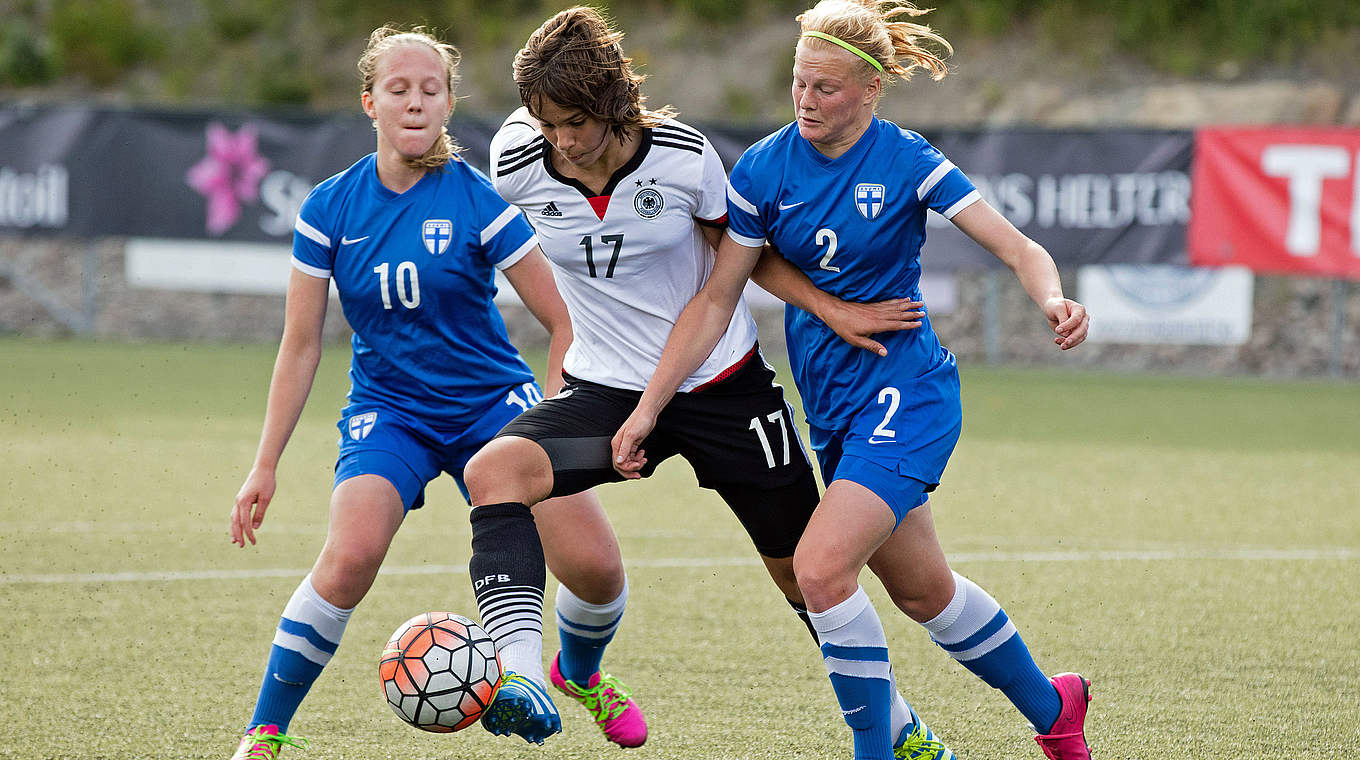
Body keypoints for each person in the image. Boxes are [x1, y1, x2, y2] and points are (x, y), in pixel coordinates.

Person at [612, 1, 1095, 759]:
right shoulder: (766, 168)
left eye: (826, 88)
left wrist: (1054, 298)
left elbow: (1018, 246)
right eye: (799, 83)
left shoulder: (905, 160)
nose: (806, 100)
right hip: (833, 409)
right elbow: (715, 299)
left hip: (909, 389)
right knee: (923, 594)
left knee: (819, 568)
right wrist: (647, 410)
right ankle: (1054, 706)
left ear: (871, 90)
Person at [462, 5, 931, 750]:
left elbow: (742, 256)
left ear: (616, 104)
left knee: (802, 575)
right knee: (494, 472)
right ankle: (517, 674)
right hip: (604, 389)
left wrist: (830, 308)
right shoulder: (516, 157)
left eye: (577, 122)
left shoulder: (682, 156)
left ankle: (899, 727)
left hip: (723, 386)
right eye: (547, 123)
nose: (564, 141)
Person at [224, 26, 627, 760]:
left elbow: (563, 319)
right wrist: (265, 463)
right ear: (370, 101)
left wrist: (556, 417)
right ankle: (266, 729)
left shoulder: (477, 199)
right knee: (348, 559)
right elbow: (303, 343)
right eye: (399, 89)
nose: (414, 102)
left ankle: (581, 673)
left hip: (491, 406)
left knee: (597, 569)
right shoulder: (330, 208)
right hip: (391, 413)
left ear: (447, 104)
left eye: (430, 89)